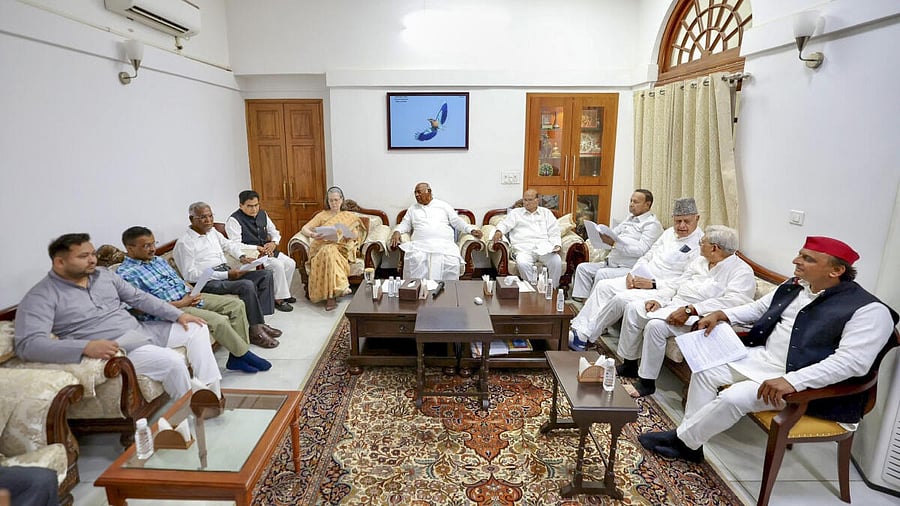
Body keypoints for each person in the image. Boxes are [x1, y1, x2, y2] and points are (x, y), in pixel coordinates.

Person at [639, 237, 898, 463]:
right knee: (705, 370)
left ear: (836, 270)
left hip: (806, 383)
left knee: (733, 398)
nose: (796, 260)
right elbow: (759, 309)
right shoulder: (796, 285)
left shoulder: (869, 311)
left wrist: (791, 380)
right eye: (800, 254)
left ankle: (683, 441)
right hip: (762, 360)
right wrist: (721, 314)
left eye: (807, 258)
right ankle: (690, 443)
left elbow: (852, 364)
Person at [15, 233, 221, 399]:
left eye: (92, 253)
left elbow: (139, 298)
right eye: (83, 256)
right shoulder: (40, 296)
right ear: (59, 262)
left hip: (141, 331)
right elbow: (27, 345)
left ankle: (210, 393)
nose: (92, 260)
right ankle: (187, 410)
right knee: (172, 361)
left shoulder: (103, 276)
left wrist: (178, 315)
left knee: (196, 327)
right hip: (114, 349)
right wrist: (85, 347)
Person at [616, 226, 755, 396]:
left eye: (701, 242)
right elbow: (677, 284)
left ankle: (646, 382)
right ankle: (629, 364)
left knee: (655, 327)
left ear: (714, 248)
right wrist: (659, 300)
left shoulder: (741, 271)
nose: (699, 245)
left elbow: (735, 302)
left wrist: (691, 310)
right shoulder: (700, 261)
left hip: (700, 318)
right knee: (633, 308)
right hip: (675, 305)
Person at [118, 226, 277, 373]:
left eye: (153, 244)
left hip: (189, 297)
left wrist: (193, 292)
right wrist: (181, 303)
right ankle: (244, 354)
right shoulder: (125, 274)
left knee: (236, 305)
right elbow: (140, 307)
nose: (153, 249)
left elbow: (179, 280)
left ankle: (236, 358)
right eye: (146, 246)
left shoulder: (157, 260)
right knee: (219, 321)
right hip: (173, 309)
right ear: (130, 248)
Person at [569, 197, 703, 351]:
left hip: (661, 289)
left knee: (620, 299)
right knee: (603, 286)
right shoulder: (668, 234)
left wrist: (653, 284)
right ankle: (578, 331)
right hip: (641, 277)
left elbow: (685, 280)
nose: (682, 226)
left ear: (697, 218)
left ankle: (584, 337)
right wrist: (632, 273)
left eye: (687, 221)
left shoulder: (700, 244)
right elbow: (647, 255)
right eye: (678, 221)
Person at [174, 202, 283, 341]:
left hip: (225, 273)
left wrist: (242, 257)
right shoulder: (185, 243)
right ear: (191, 219)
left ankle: (259, 323)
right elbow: (189, 275)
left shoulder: (212, 232)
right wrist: (226, 274)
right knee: (246, 285)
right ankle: (255, 332)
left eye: (210, 216)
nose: (208, 221)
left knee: (265, 275)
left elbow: (229, 245)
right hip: (207, 282)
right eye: (202, 217)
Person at [571, 189, 663, 300]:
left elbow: (642, 250)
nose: (631, 204)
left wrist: (614, 244)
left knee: (602, 273)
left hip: (629, 268)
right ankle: (582, 302)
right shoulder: (629, 219)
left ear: (647, 205)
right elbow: (614, 233)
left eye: (636, 202)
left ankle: (593, 305)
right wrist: (601, 236)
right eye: (631, 201)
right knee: (583, 268)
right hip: (611, 262)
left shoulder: (652, 225)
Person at [389, 182, 483, 280]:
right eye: (415, 193)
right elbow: (405, 224)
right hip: (420, 245)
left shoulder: (443, 206)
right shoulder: (412, 209)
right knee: (416, 260)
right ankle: (416, 291)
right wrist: (397, 231)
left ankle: (447, 292)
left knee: (451, 262)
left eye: (419, 192)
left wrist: (471, 230)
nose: (416, 195)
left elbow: (457, 221)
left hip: (444, 245)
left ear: (429, 191)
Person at [225, 190, 296, 312]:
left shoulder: (263, 214)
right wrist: (256, 248)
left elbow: (274, 232)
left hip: (267, 250)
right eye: (250, 206)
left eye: (256, 205)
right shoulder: (233, 220)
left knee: (290, 263)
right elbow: (235, 245)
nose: (254, 209)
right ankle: (279, 300)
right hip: (252, 255)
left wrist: (274, 242)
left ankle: (282, 294)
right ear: (241, 205)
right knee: (278, 266)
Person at [299, 186, 364, 311]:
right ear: (327, 201)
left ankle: (331, 298)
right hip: (322, 246)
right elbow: (304, 229)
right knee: (327, 250)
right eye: (331, 200)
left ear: (341, 200)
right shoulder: (321, 215)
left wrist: (345, 233)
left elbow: (355, 236)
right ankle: (340, 288)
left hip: (341, 248)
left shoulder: (348, 216)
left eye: (336, 200)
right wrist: (313, 234)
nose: (334, 203)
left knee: (329, 250)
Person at [491, 189, 562, 287]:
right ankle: (532, 288)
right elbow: (504, 224)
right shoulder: (516, 213)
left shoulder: (546, 213)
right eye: (525, 200)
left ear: (537, 200)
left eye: (530, 200)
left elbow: (554, 231)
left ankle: (553, 289)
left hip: (544, 248)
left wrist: (556, 245)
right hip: (523, 249)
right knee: (522, 263)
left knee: (556, 260)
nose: (526, 203)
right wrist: (499, 231)